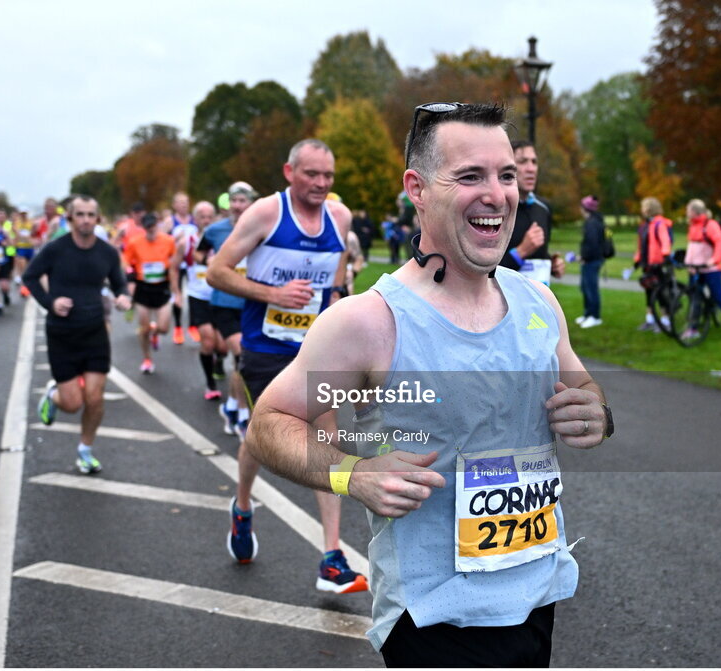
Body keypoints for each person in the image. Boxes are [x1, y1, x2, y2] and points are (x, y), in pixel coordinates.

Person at [243, 103, 611, 666]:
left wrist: (597, 413)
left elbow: (585, 391)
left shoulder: (538, 302)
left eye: (506, 175)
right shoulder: (368, 322)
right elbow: (269, 423)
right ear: (417, 188)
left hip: (537, 593)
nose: (498, 194)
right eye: (470, 176)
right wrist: (352, 474)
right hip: (433, 616)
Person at [206, 143, 368, 594]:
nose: (321, 184)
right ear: (289, 172)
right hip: (266, 348)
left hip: (316, 349)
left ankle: (331, 558)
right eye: (312, 174)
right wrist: (271, 294)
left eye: (328, 176)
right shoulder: (265, 214)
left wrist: (336, 305)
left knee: (327, 440)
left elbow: (335, 274)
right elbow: (217, 272)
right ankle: (242, 506)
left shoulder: (340, 218)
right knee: (261, 441)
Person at [25, 196, 132, 474]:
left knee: (95, 398)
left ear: (98, 219)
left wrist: (123, 297)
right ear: (70, 218)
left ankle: (85, 450)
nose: (85, 219)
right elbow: (30, 277)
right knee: (72, 404)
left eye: (91, 214)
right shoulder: (56, 249)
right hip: (62, 334)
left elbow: (121, 284)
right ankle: (54, 396)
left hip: (95, 332)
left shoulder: (107, 252)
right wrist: (51, 303)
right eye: (80, 214)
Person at [196, 182, 257, 436]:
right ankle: (243, 415)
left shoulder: (262, 228)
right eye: (234, 201)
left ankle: (232, 406)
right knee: (242, 356)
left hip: (252, 302)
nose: (238, 206)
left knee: (241, 360)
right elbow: (199, 255)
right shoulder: (215, 230)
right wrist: (210, 260)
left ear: (251, 203)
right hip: (224, 303)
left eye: (243, 201)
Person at [500, 140, 566, 285]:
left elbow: (539, 255)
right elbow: (484, 270)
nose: (531, 169)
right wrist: (521, 251)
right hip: (505, 302)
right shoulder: (496, 208)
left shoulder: (544, 207)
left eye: (534, 162)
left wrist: (551, 264)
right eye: (523, 162)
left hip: (539, 301)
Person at [122, 213, 181, 373]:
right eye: (147, 228)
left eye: (153, 227)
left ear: (158, 225)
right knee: (143, 328)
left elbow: (174, 265)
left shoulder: (168, 241)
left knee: (163, 328)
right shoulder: (135, 243)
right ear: (143, 228)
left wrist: (177, 292)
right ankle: (147, 359)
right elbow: (125, 260)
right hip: (143, 287)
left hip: (162, 287)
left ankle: (155, 333)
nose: (151, 231)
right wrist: (129, 274)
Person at [683, 199, 721, 339]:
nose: (686, 212)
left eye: (688, 210)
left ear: (695, 211)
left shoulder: (710, 225)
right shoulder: (692, 226)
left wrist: (713, 260)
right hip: (695, 269)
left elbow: (720, 244)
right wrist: (688, 263)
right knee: (694, 298)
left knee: (719, 296)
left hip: (711, 269)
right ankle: (693, 328)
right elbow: (692, 248)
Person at [182, 200, 223, 400]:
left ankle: (220, 360)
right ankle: (210, 383)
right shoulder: (186, 240)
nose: (206, 220)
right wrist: (175, 293)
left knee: (223, 346)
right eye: (202, 216)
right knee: (207, 341)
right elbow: (174, 266)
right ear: (195, 218)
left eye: (209, 216)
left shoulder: (222, 239)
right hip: (198, 296)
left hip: (221, 295)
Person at [633, 197, 674, 332]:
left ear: (649, 209)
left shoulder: (659, 224)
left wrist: (664, 258)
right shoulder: (645, 225)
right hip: (647, 264)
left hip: (657, 264)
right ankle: (650, 320)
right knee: (649, 292)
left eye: (643, 207)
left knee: (661, 293)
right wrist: (637, 260)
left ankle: (665, 321)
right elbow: (642, 245)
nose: (641, 210)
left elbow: (665, 242)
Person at [168, 192, 193, 345]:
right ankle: (177, 327)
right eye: (180, 202)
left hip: (192, 265)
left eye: (186, 202)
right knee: (177, 295)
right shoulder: (169, 222)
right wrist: (174, 239)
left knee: (193, 295)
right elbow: (161, 241)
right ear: (174, 205)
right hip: (176, 264)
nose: (183, 205)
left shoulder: (195, 220)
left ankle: (193, 325)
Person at [577, 195, 605, 328]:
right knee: (585, 287)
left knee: (591, 289)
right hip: (590, 260)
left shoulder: (592, 223)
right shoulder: (593, 221)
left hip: (591, 261)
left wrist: (584, 257)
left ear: (585, 208)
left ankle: (595, 316)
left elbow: (592, 244)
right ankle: (587, 314)